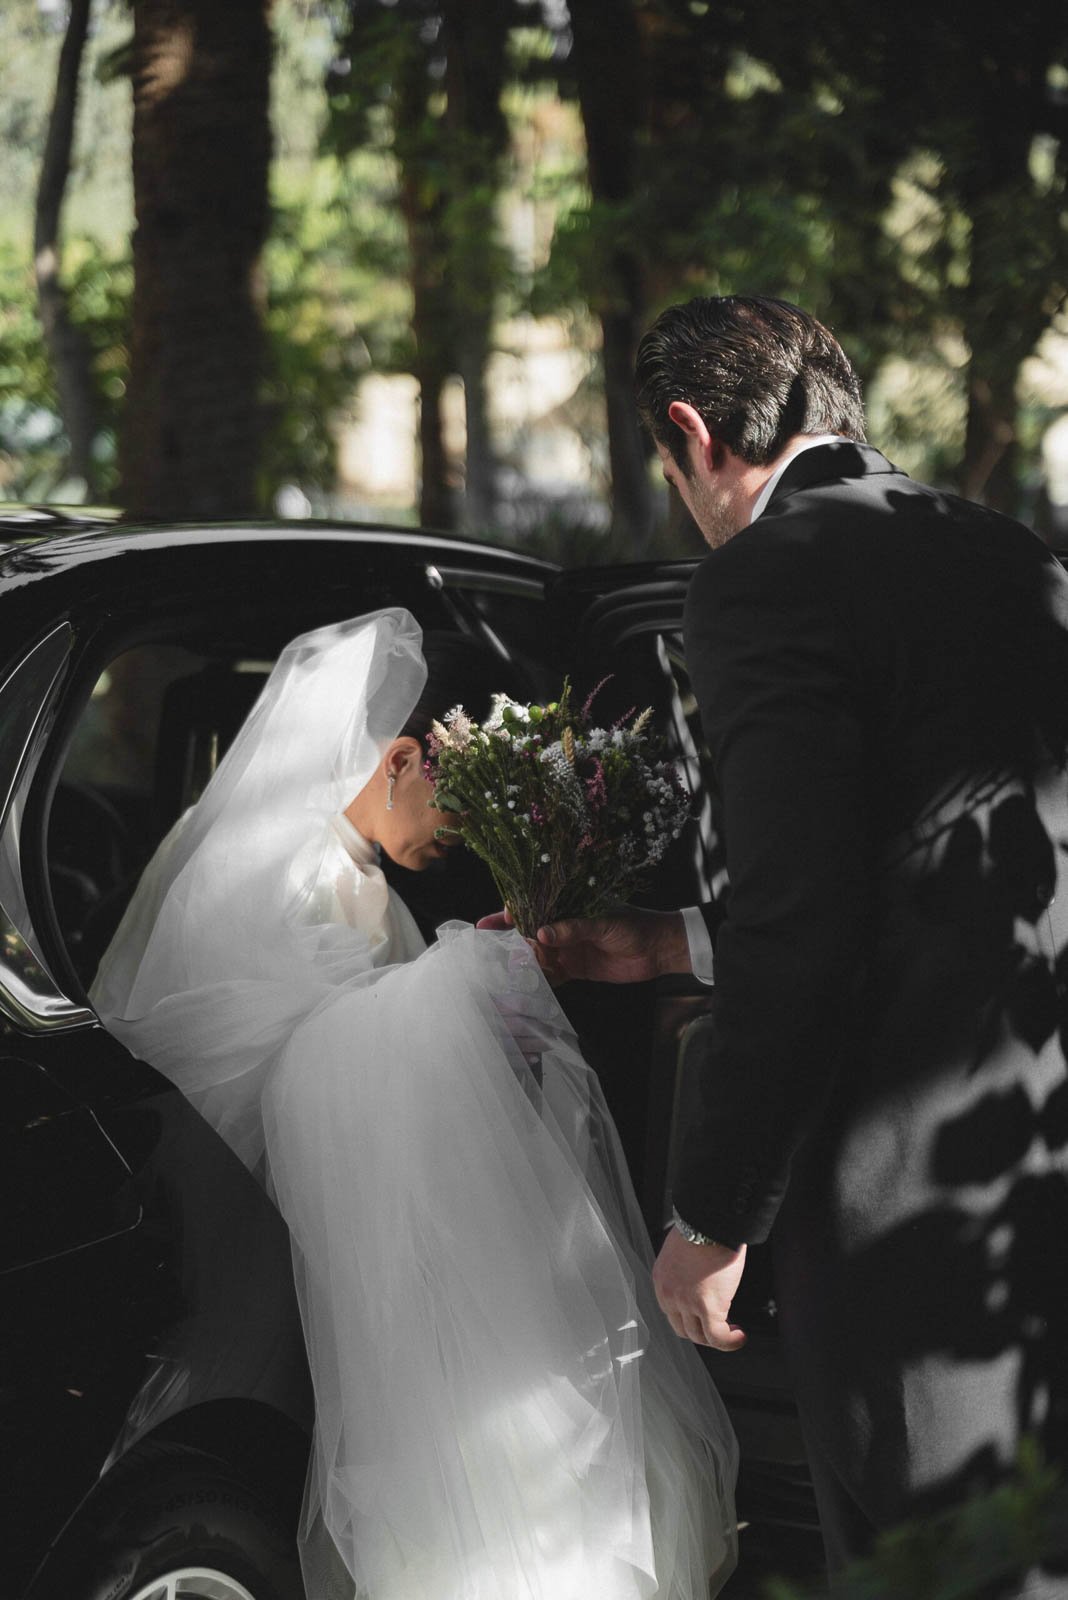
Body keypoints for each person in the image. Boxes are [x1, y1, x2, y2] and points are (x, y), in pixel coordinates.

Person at [504, 296, 1068, 1585]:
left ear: (691, 433)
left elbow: (805, 926)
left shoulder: (763, 579)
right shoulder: (1013, 556)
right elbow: (933, 875)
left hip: (899, 1209)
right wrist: (670, 942)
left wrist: (711, 1215)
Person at [91, 610, 738, 1600]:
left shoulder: (353, 874)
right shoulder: (278, 869)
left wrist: (476, 1003)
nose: (464, 830)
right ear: (400, 758)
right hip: (277, 1254)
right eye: (456, 796)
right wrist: (465, 994)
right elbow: (294, 1065)